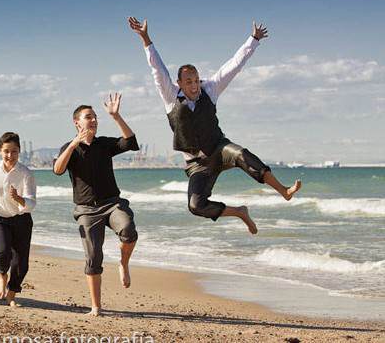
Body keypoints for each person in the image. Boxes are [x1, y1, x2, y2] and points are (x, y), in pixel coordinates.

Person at [128, 17, 301, 234]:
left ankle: (284, 191)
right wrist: (145, 38)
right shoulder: (170, 96)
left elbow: (233, 66)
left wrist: (253, 39)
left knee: (241, 154)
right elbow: (157, 68)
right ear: (179, 83)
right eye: (188, 81)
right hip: (196, 164)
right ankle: (239, 212)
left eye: (196, 79)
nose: (194, 85)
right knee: (195, 206)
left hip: (219, 149)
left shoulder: (210, 89)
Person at [53, 93, 139, 317]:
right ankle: (96, 307)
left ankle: (123, 263)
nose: (93, 120)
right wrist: (73, 144)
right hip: (86, 210)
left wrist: (116, 116)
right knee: (93, 258)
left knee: (129, 230)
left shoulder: (104, 144)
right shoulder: (69, 148)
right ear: (77, 122)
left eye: (95, 117)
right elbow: (58, 170)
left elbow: (129, 142)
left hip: (111, 204)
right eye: (88, 117)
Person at [0, 132, 37, 307]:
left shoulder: (26, 173)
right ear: (0, 150)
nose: (10, 156)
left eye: (14, 152)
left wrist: (19, 199)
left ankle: (11, 294)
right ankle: (2, 275)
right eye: (6, 151)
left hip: (22, 220)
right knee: (3, 252)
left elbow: (31, 202)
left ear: (19, 151)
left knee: (21, 263)